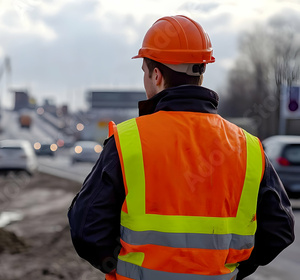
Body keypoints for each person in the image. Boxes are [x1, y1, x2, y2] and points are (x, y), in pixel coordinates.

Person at [68, 15, 295, 280]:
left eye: (144, 72)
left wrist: (117, 266)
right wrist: (237, 269)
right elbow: (280, 229)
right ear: (201, 71)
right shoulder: (247, 147)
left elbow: (86, 229)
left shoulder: (128, 140)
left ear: (156, 75)